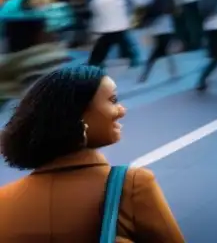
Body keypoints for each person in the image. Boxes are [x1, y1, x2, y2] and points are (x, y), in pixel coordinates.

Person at [0, 65, 185, 241]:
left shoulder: (4, 200)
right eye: (112, 100)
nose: (122, 110)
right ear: (78, 116)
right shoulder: (132, 186)